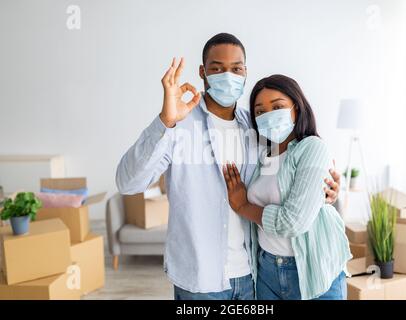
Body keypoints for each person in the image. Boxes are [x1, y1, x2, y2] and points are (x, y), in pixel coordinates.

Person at [116, 33, 341, 300]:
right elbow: (128, 182)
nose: (228, 76)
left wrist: (325, 192)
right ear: (203, 72)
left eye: (236, 69)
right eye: (217, 68)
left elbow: (286, 178)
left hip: (253, 276)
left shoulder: (257, 127)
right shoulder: (179, 126)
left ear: (245, 72)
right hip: (200, 281)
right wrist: (165, 121)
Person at [223, 74, 352, 300]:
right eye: (260, 111)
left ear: (297, 107)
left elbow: (293, 222)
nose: (268, 116)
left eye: (278, 107)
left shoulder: (312, 148)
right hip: (266, 270)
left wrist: (243, 206)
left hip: (313, 269)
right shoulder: (261, 156)